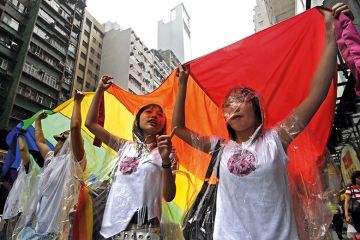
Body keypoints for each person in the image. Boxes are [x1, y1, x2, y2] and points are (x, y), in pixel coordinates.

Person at [172, 4, 351, 240]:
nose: (234, 107)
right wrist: (183, 84)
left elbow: (316, 94)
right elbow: (178, 128)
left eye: (241, 101)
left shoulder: (277, 139)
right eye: (229, 104)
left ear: (256, 108)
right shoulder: (219, 149)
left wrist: (330, 35)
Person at [85, 75, 177, 240]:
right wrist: (99, 90)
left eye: (160, 114)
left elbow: (168, 196)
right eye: (148, 111)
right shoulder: (124, 147)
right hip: (111, 225)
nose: (154, 116)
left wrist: (165, 162)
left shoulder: (168, 153)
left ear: (164, 124)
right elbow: (90, 124)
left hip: (144, 225)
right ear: (138, 118)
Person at [16, 90, 87, 239]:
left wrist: (77, 102)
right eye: (59, 139)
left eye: (64, 140)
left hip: (55, 232)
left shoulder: (74, 163)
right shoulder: (51, 160)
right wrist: (37, 121)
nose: (59, 142)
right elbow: (40, 141)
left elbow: (75, 128)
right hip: (34, 229)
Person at [1, 134, 41, 240]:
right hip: (20, 213)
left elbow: (23, 149)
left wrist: (20, 134)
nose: (22, 160)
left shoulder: (32, 168)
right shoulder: (35, 174)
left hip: (19, 214)